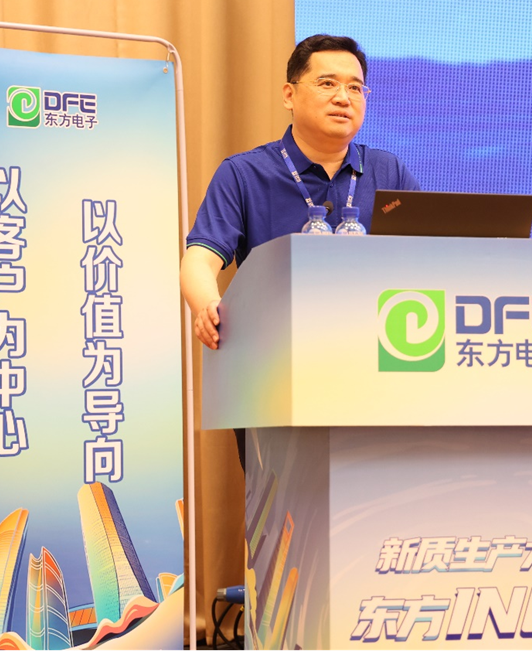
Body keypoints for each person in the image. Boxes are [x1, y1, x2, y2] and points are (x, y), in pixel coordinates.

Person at [180, 34, 420, 465]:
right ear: (289, 95)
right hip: (273, 370)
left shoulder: (387, 171)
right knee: (284, 502)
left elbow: (431, 254)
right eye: (328, 84)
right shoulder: (244, 173)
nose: (344, 97)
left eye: (355, 87)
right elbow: (199, 258)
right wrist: (206, 306)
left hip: (375, 366)